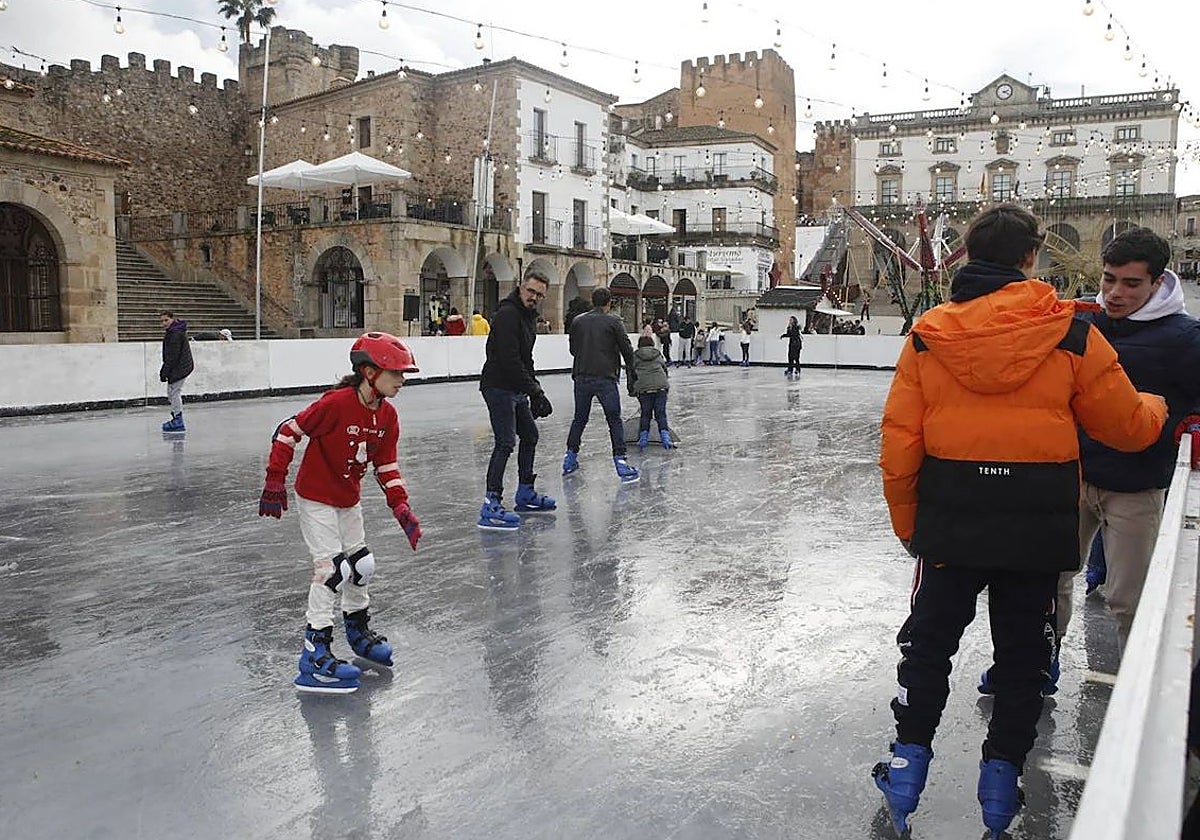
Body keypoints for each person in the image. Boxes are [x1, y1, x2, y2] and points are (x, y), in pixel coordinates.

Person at [872, 204, 1166, 838]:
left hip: (952, 516)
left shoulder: (928, 333)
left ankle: (905, 769)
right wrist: (1159, 406)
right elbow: (1126, 427)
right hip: (1037, 519)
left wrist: (908, 524)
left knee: (928, 647)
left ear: (968, 256)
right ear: (1031, 258)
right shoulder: (1072, 333)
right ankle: (1001, 789)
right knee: (1023, 657)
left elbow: (900, 442)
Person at [1052, 227, 1200, 653]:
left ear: (1158, 282)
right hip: (1075, 476)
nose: (1115, 293)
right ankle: (1041, 665)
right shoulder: (1084, 321)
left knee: (1129, 599)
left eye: (1131, 283)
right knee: (1052, 578)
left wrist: (1187, 424)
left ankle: (1137, 698)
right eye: (1108, 279)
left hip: (1135, 487)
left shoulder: (1184, 338)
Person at [257, 332, 424, 695]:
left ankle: (357, 629)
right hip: (316, 496)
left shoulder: (388, 416)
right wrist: (274, 479)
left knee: (361, 565)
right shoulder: (335, 404)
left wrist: (401, 506)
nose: (402, 380)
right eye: (395, 373)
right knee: (331, 569)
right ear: (369, 373)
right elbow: (288, 431)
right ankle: (314, 656)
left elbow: (387, 467)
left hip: (348, 499)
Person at [478, 270, 557, 530]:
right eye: (530, 291)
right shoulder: (508, 314)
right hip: (498, 386)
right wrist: (534, 391)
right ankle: (491, 503)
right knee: (505, 442)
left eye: (539, 295)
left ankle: (525, 491)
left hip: (516, 388)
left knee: (530, 435)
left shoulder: (527, 317)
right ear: (521, 288)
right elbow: (509, 360)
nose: (533, 297)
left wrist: (535, 390)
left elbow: (526, 359)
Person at [564, 287, 640, 483]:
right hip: (605, 376)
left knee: (579, 419)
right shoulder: (613, 321)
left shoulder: (578, 321)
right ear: (609, 302)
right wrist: (632, 369)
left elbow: (573, 349)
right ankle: (621, 463)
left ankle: (570, 458)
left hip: (581, 376)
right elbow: (626, 348)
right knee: (614, 419)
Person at [631, 335, 673, 451]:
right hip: (661, 386)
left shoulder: (635, 356)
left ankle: (643, 439)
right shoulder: (658, 354)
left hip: (644, 388)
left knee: (646, 413)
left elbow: (632, 374)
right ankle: (665, 438)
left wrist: (633, 390)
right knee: (661, 413)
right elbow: (664, 369)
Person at [159, 310, 194, 432]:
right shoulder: (173, 332)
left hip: (180, 367)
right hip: (178, 366)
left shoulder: (175, 334)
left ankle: (178, 420)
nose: (164, 323)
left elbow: (172, 356)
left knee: (174, 392)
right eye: (162, 321)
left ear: (172, 319)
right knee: (171, 392)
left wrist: (165, 371)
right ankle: (176, 417)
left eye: (166, 320)